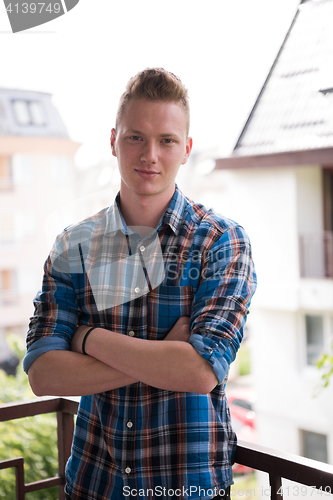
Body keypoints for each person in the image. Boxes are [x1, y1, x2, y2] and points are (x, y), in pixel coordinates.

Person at [24, 68, 257, 500]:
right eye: (136, 137)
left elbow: (201, 372)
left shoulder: (220, 242)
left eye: (166, 140)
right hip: (95, 483)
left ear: (186, 149)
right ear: (113, 140)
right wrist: (164, 357)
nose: (150, 153)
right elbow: (43, 374)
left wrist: (87, 337)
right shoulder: (74, 245)